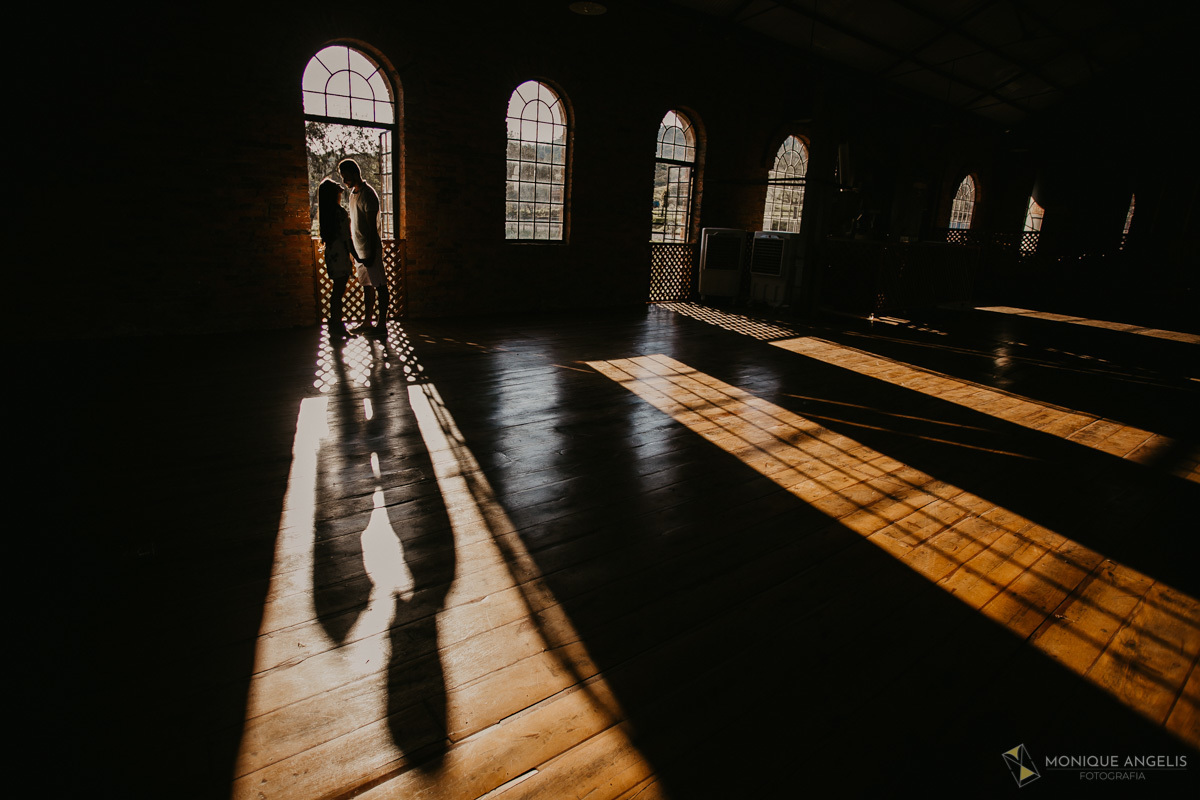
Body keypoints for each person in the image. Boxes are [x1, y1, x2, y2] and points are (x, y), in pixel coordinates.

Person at [338, 158, 388, 336]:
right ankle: (368, 322)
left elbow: (371, 227)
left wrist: (373, 253)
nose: (345, 181)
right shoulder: (353, 195)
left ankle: (382, 325)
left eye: (346, 177)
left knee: (380, 285)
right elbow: (353, 223)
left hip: (370, 248)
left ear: (355, 172)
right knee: (367, 286)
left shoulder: (368, 194)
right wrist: (354, 251)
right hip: (359, 249)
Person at [318, 178, 357, 340]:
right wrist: (356, 255)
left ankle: (335, 323)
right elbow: (347, 237)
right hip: (340, 254)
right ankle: (337, 325)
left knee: (336, 291)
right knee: (338, 291)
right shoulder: (339, 213)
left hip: (331, 254)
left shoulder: (326, 214)